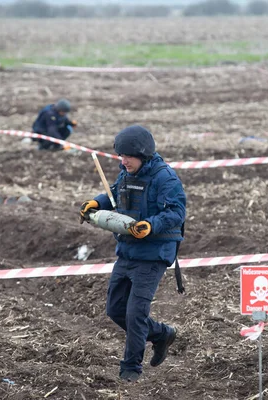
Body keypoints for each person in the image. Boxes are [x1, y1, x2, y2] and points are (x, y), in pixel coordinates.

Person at [79, 125, 187, 382]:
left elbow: (176, 213)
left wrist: (150, 225)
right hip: (127, 251)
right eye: (121, 155)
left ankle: (131, 369)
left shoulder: (165, 178)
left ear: (143, 154)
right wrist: (97, 203)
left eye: (128, 155)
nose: (123, 160)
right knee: (115, 310)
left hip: (153, 254)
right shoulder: (127, 174)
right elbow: (116, 194)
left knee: (135, 313)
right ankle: (161, 334)